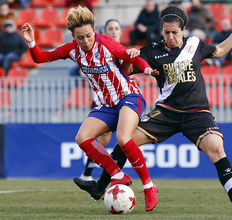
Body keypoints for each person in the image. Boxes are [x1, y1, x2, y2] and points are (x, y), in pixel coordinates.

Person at [74, 5, 232, 214]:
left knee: (217, 149)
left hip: (197, 113)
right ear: (162, 31)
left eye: (174, 32)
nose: (170, 36)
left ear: (183, 30)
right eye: (166, 32)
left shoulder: (195, 45)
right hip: (165, 112)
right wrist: (127, 66)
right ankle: (99, 187)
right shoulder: (152, 51)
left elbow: (221, 51)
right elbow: (127, 67)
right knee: (125, 140)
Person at [21, 6, 159, 212]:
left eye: (88, 35)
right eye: (80, 38)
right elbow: (41, 58)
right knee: (82, 138)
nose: (85, 41)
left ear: (94, 31)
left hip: (129, 97)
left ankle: (149, 187)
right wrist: (31, 42)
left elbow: (130, 57)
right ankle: (118, 174)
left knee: (122, 138)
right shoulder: (71, 50)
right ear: (73, 37)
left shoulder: (106, 43)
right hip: (106, 105)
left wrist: (146, 67)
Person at [78, 19, 140, 181]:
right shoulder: (98, 49)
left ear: (121, 31)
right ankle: (88, 174)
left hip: (125, 99)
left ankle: (110, 178)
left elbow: (129, 71)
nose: (113, 31)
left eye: (116, 28)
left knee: (124, 139)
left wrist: (130, 77)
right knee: (102, 141)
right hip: (103, 102)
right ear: (104, 32)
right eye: (110, 29)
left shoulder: (124, 52)